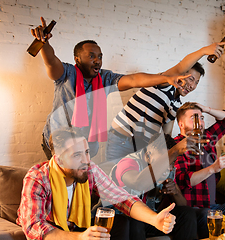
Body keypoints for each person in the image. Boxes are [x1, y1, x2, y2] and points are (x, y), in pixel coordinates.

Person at [16, 127, 176, 240]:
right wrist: (79, 239)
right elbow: (34, 227)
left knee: (120, 223)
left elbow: (122, 199)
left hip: (77, 226)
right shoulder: (38, 178)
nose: (86, 160)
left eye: (86, 152)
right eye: (77, 155)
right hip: (53, 235)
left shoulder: (88, 169)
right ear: (59, 158)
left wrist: (154, 219)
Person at [30, 17, 188, 159]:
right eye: (91, 56)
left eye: (100, 56)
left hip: (86, 145)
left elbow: (133, 79)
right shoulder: (67, 74)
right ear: (77, 59)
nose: (97, 61)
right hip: (58, 142)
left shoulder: (105, 78)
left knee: (80, 186)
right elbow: (51, 61)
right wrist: (44, 44)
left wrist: (166, 78)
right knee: (61, 184)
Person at [110, 134, 198, 240]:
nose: (167, 168)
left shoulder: (167, 167)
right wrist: (172, 154)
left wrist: (175, 191)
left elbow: (182, 205)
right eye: (164, 162)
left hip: (150, 220)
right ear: (149, 156)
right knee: (134, 222)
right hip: (123, 222)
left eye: (171, 163)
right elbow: (137, 182)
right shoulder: (128, 164)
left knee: (188, 214)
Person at [106, 42, 225, 161]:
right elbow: (180, 66)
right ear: (181, 75)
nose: (192, 85)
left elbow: (166, 135)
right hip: (121, 139)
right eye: (190, 79)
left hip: (141, 148)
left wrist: (177, 150)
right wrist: (203, 51)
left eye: (196, 82)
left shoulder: (177, 105)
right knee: (113, 179)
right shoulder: (163, 83)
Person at [172, 102, 225, 238]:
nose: (200, 122)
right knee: (208, 216)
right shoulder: (177, 146)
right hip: (194, 209)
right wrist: (213, 168)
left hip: (213, 206)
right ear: (181, 124)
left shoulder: (207, 139)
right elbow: (183, 180)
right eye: (194, 118)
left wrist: (205, 109)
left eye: (202, 117)